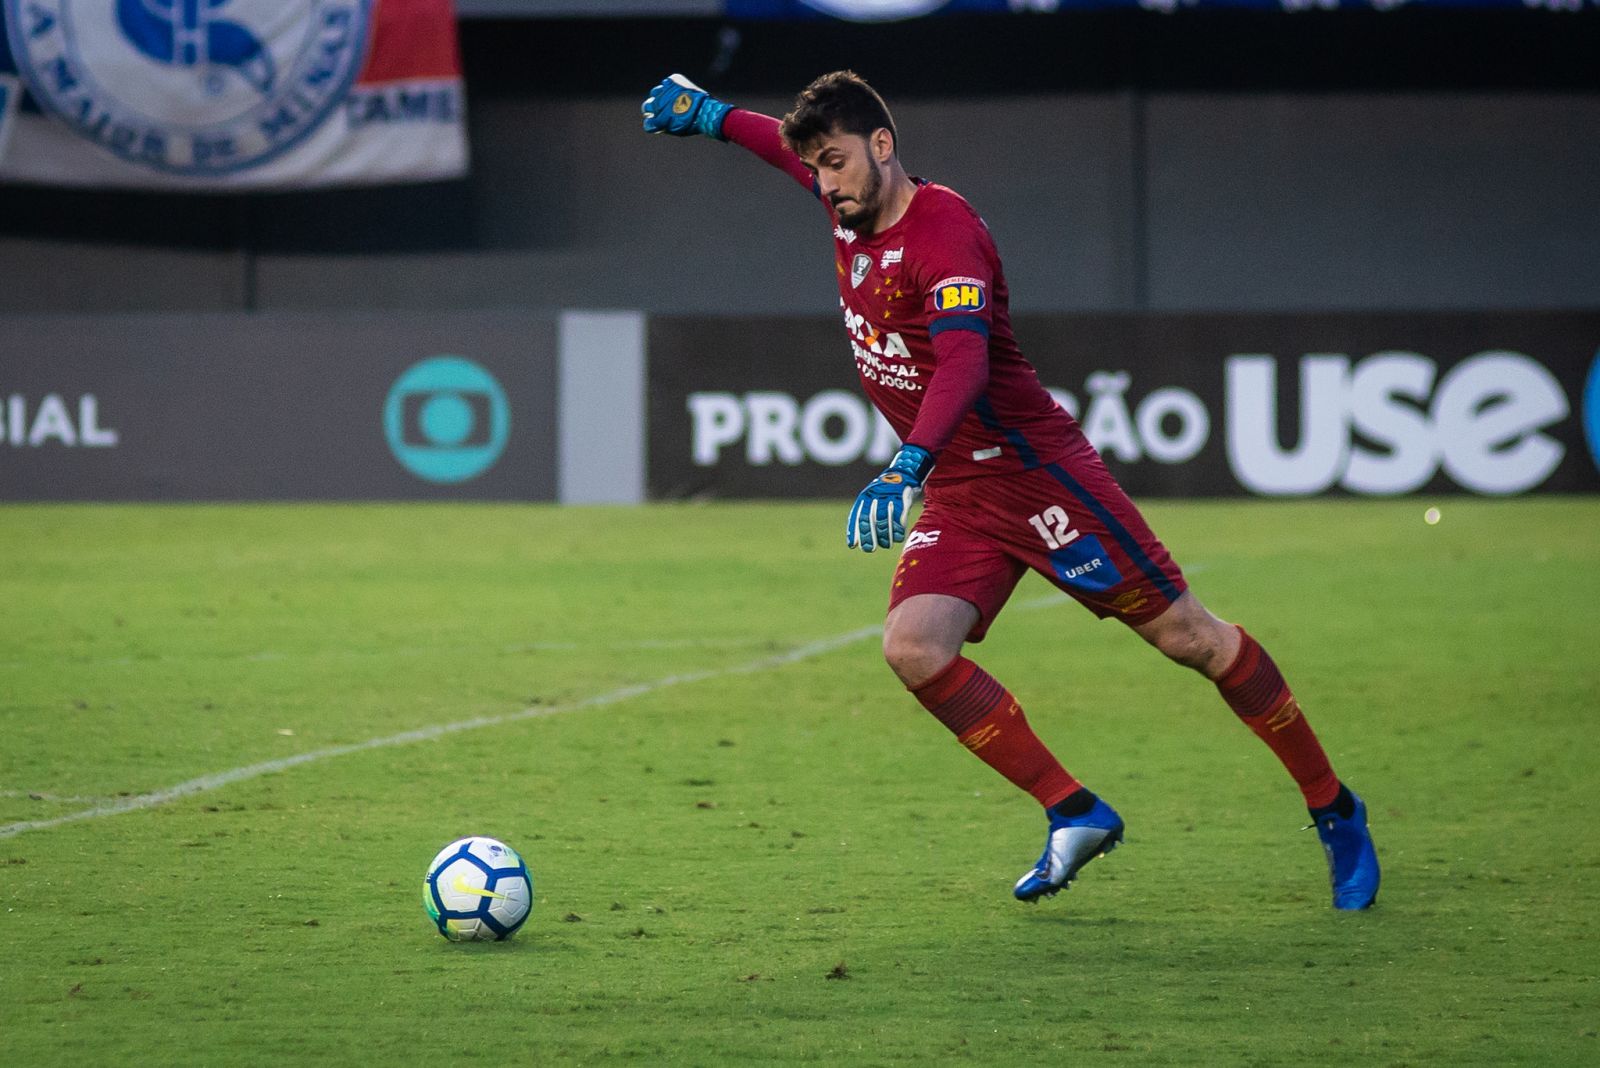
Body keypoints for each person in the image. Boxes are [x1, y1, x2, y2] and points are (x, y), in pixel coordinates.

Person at [641, 71, 1380, 909]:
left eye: (836, 162)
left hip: (1036, 476)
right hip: (963, 492)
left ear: (883, 146)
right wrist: (709, 115)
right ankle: (1074, 810)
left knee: (1193, 640)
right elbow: (782, 148)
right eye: (816, 169)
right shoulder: (845, 201)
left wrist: (908, 463)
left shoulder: (944, 232)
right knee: (914, 649)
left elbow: (965, 361)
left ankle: (1334, 808)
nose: (824, 182)